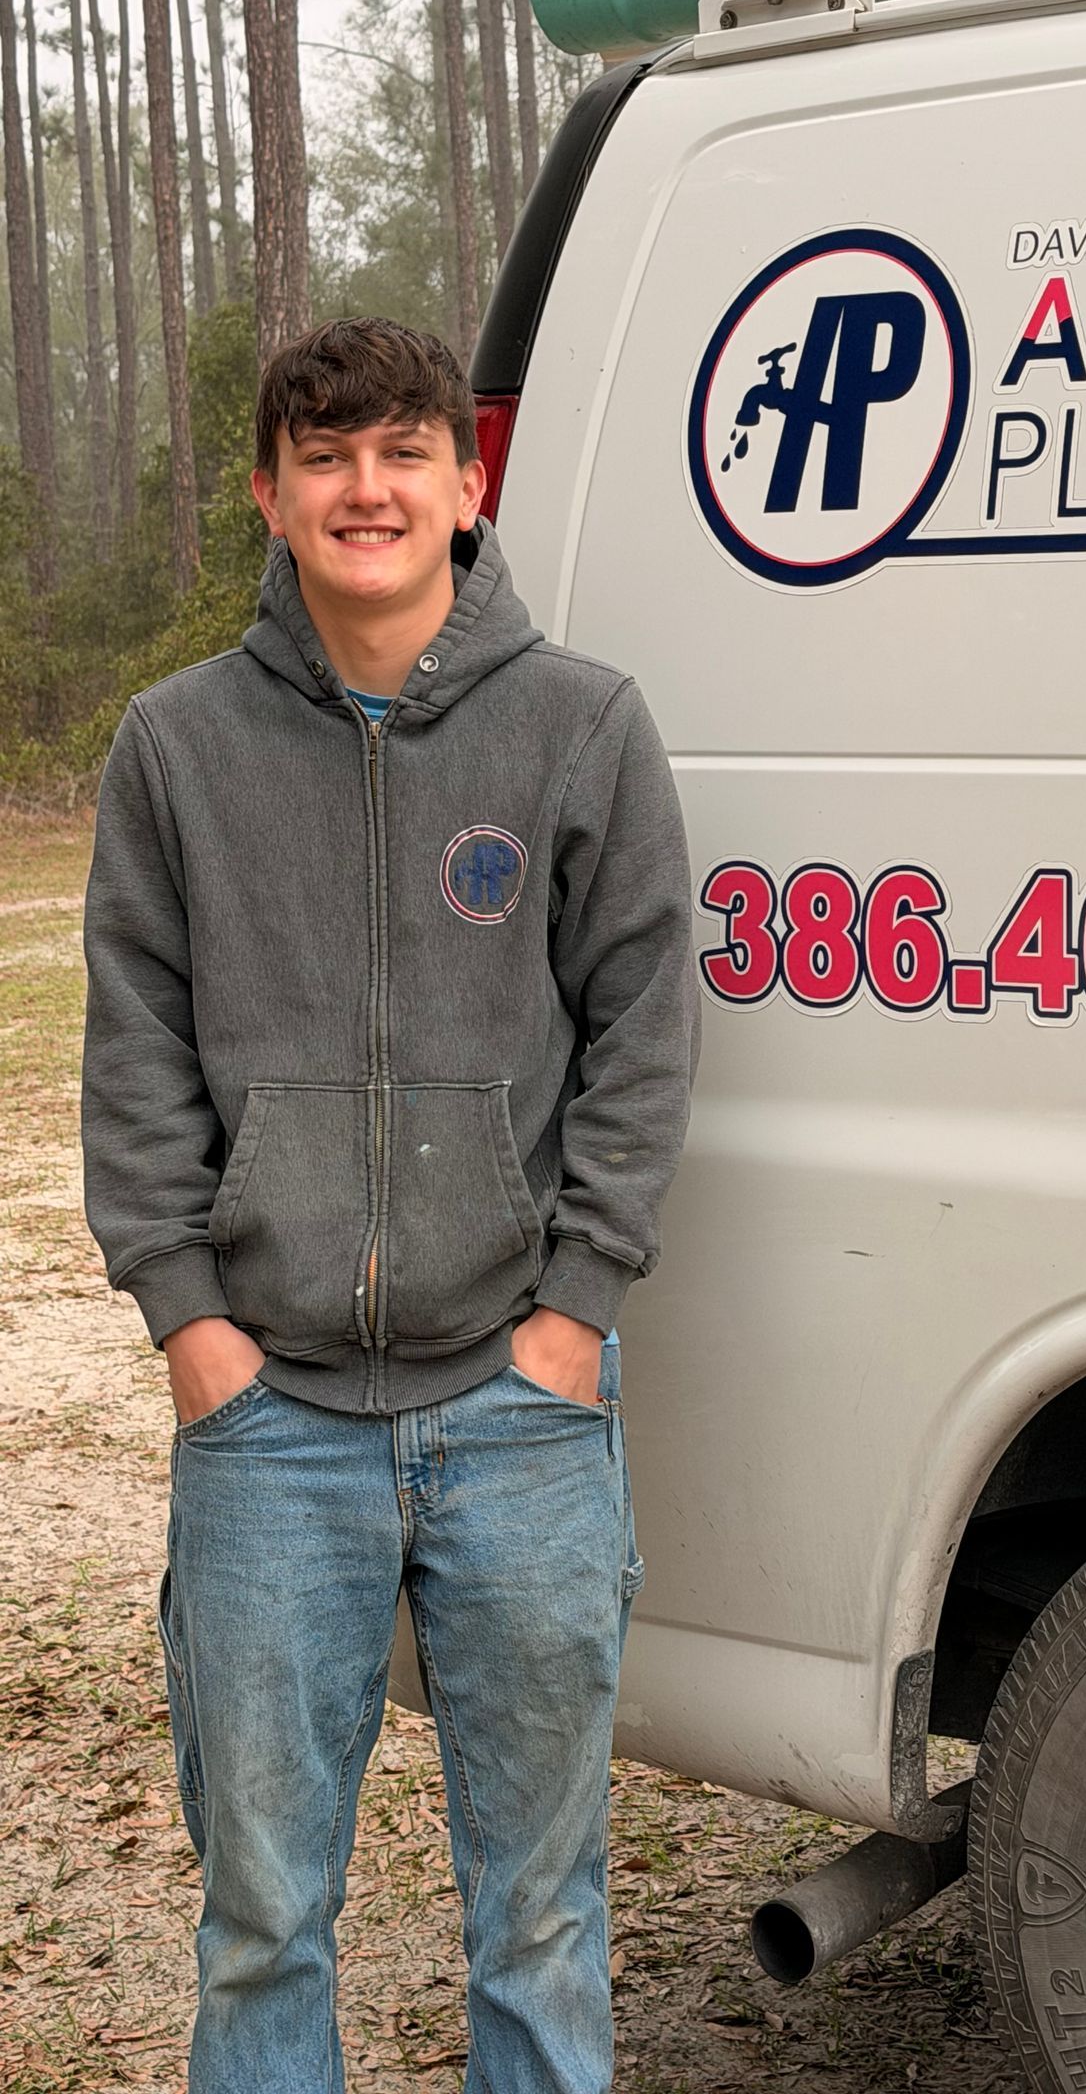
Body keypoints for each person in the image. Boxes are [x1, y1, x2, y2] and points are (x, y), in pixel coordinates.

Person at [80, 316, 698, 2094]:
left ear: (467, 480)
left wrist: (573, 1318)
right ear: (271, 494)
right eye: (328, 456)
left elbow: (644, 1044)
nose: (370, 488)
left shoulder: (581, 728)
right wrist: (193, 1330)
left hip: (522, 1420)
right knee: (266, 1916)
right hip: (270, 1429)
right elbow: (134, 1064)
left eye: (405, 451)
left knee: (543, 1917)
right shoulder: (176, 749)